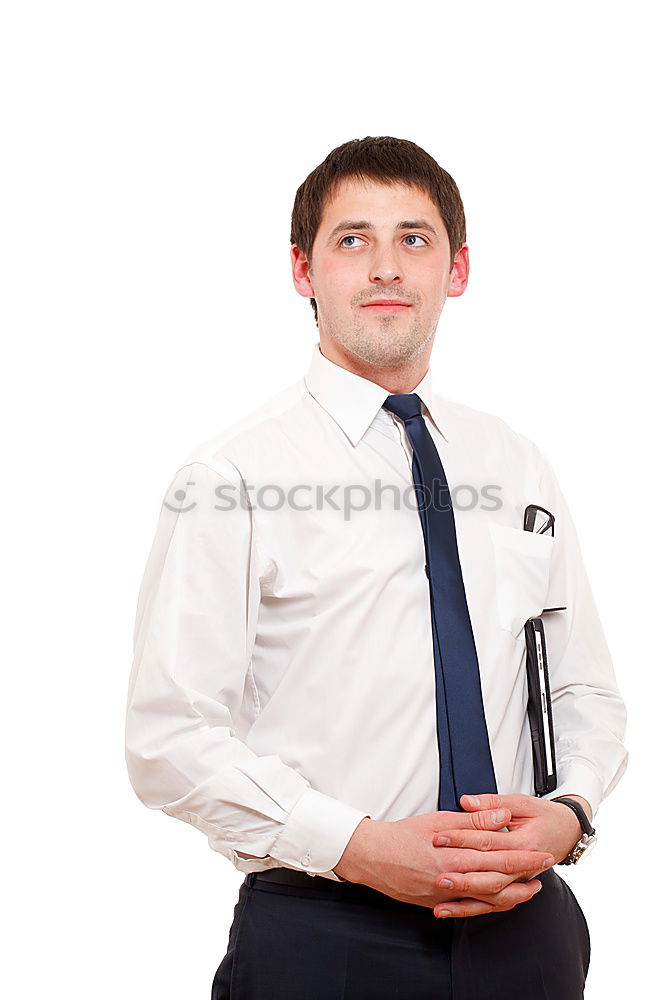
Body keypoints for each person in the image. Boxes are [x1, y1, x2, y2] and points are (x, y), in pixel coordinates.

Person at [125, 136, 628, 999]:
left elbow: (581, 688)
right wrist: (358, 846)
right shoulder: (230, 479)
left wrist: (568, 814)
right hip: (327, 933)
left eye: (414, 239)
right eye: (352, 240)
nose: (386, 266)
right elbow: (167, 739)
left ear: (456, 269)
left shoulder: (513, 462)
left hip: (526, 931)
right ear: (302, 270)